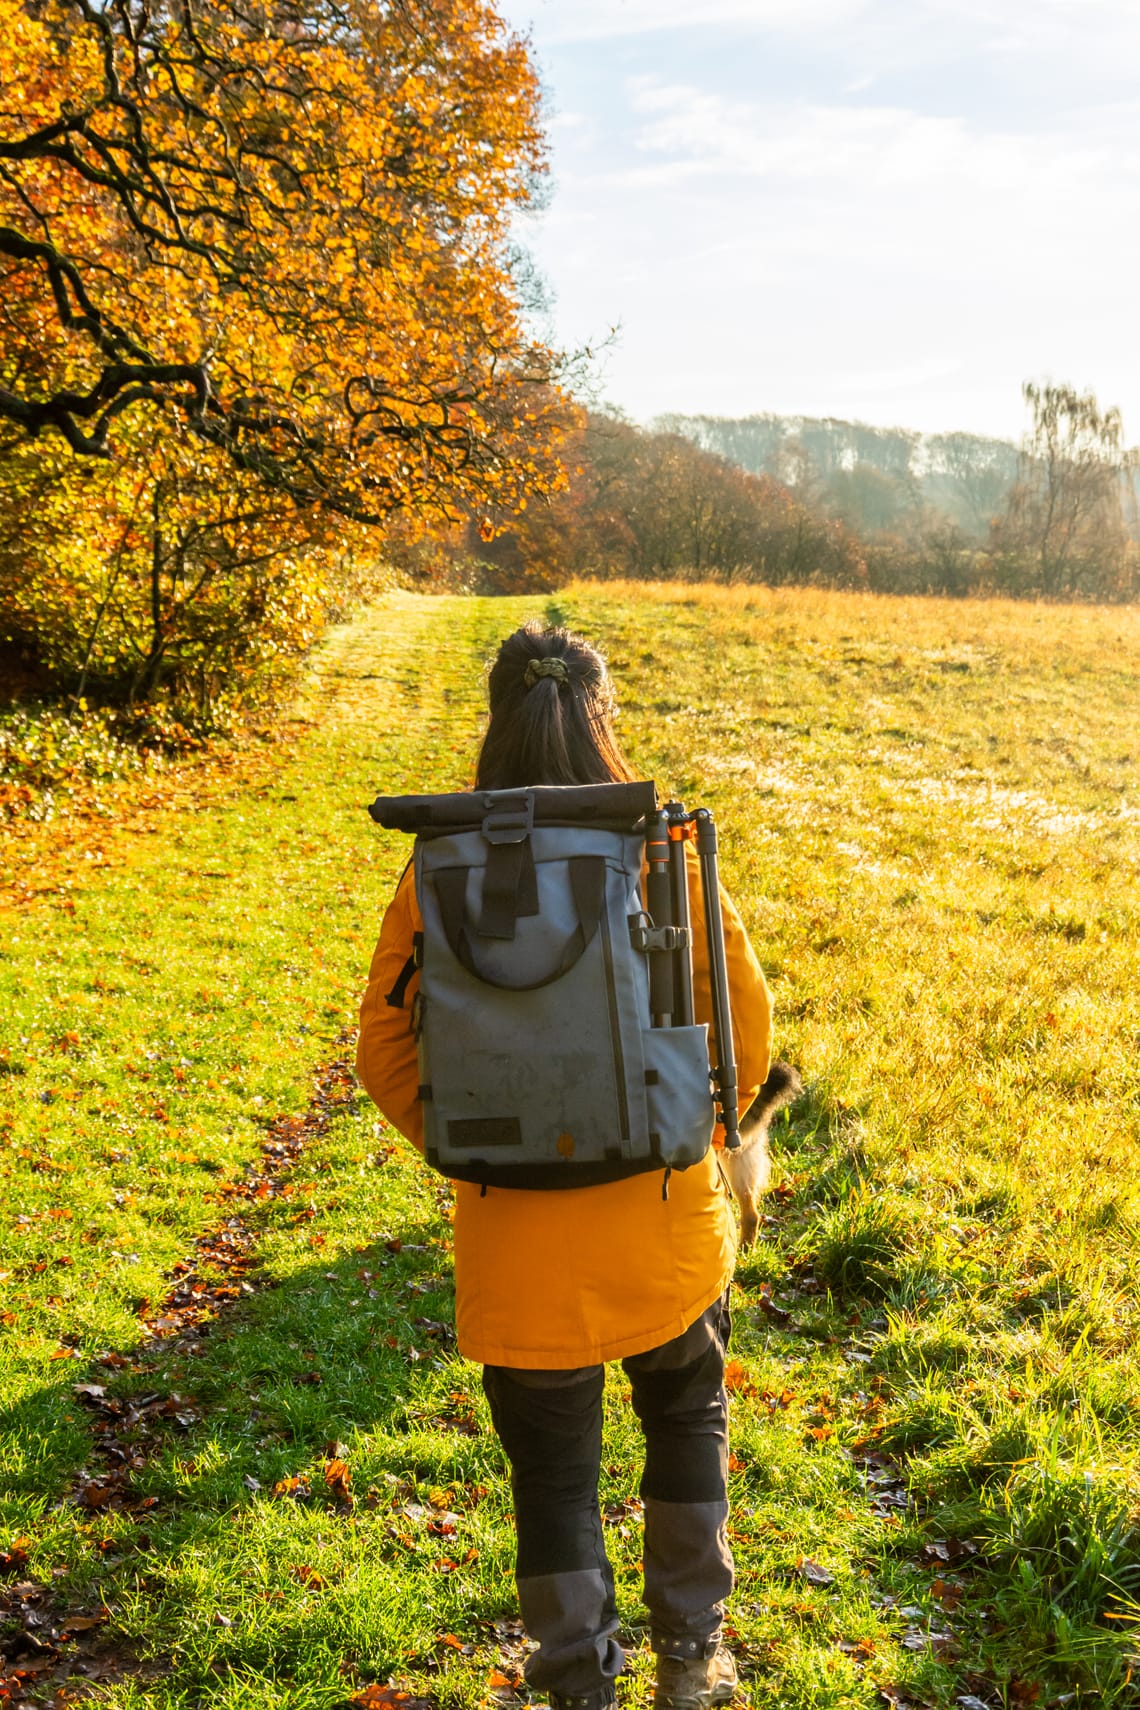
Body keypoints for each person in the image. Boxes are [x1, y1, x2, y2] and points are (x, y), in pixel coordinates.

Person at [356, 623, 773, 1710]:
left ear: (497, 722)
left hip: (516, 1239)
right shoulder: (658, 844)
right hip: (665, 1218)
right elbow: (744, 1026)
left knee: (551, 1476)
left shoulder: (441, 862)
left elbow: (383, 1049)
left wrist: (470, 1142)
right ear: (603, 719)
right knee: (686, 1417)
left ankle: (577, 1687)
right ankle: (692, 1661)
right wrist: (703, 1132)